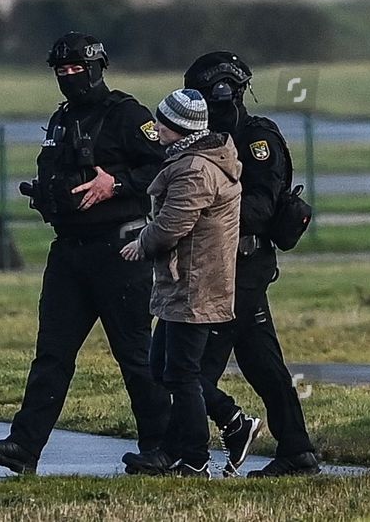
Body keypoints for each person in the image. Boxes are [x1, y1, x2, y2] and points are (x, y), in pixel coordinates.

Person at [0, 33, 170, 475]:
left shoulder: (126, 114)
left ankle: (162, 448)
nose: (68, 78)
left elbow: (160, 165)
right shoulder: (61, 120)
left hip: (120, 249)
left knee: (136, 356)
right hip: (69, 252)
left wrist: (115, 184)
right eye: (61, 72)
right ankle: (24, 447)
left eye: (76, 70)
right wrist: (48, 197)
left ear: (97, 68)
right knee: (52, 354)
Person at [185, 52, 321, 477]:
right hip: (216, 265)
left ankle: (198, 446)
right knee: (263, 363)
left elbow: (261, 207)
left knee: (186, 369)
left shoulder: (257, 139)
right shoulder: (201, 137)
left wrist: (205, 210)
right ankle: (297, 449)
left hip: (242, 266)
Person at [120, 89, 242, 478]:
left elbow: (174, 225)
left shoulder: (195, 169)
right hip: (183, 281)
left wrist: (141, 243)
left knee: (181, 373)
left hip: (196, 283)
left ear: (179, 128)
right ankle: (233, 422)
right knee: (161, 367)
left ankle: (193, 457)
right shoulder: (190, 159)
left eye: (162, 122)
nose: (155, 127)